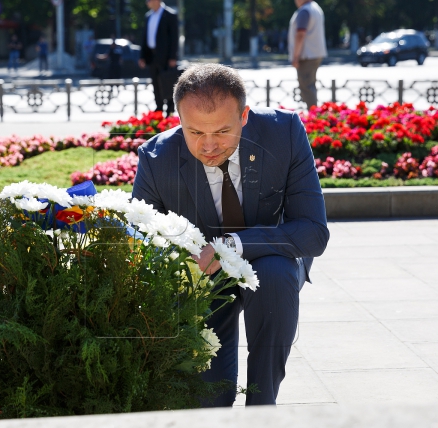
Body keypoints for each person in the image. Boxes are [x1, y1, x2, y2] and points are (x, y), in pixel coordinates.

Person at [132, 64, 329, 407]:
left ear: (245, 116)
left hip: (269, 266)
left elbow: (313, 232)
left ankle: (262, 409)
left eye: (222, 131)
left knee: (274, 273)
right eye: (194, 132)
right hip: (202, 278)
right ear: (178, 119)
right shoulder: (156, 158)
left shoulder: (284, 133)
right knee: (211, 398)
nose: (208, 146)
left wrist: (231, 246)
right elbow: (143, 244)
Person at [139, 0, 178, 115]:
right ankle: (159, 109)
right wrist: (142, 57)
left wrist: (172, 57)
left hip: (165, 57)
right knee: (156, 84)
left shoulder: (170, 15)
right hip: (152, 56)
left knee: (168, 83)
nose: (147, 3)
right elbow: (145, 38)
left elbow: (174, 37)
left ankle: (170, 110)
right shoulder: (148, 16)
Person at [288, 0, 327, 109]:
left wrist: (295, 56)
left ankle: (313, 117)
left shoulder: (304, 11)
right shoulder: (315, 8)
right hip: (315, 53)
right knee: (310, 85)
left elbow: (300, 34)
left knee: (306, 87)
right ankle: (314, 115)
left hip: (306, 55)